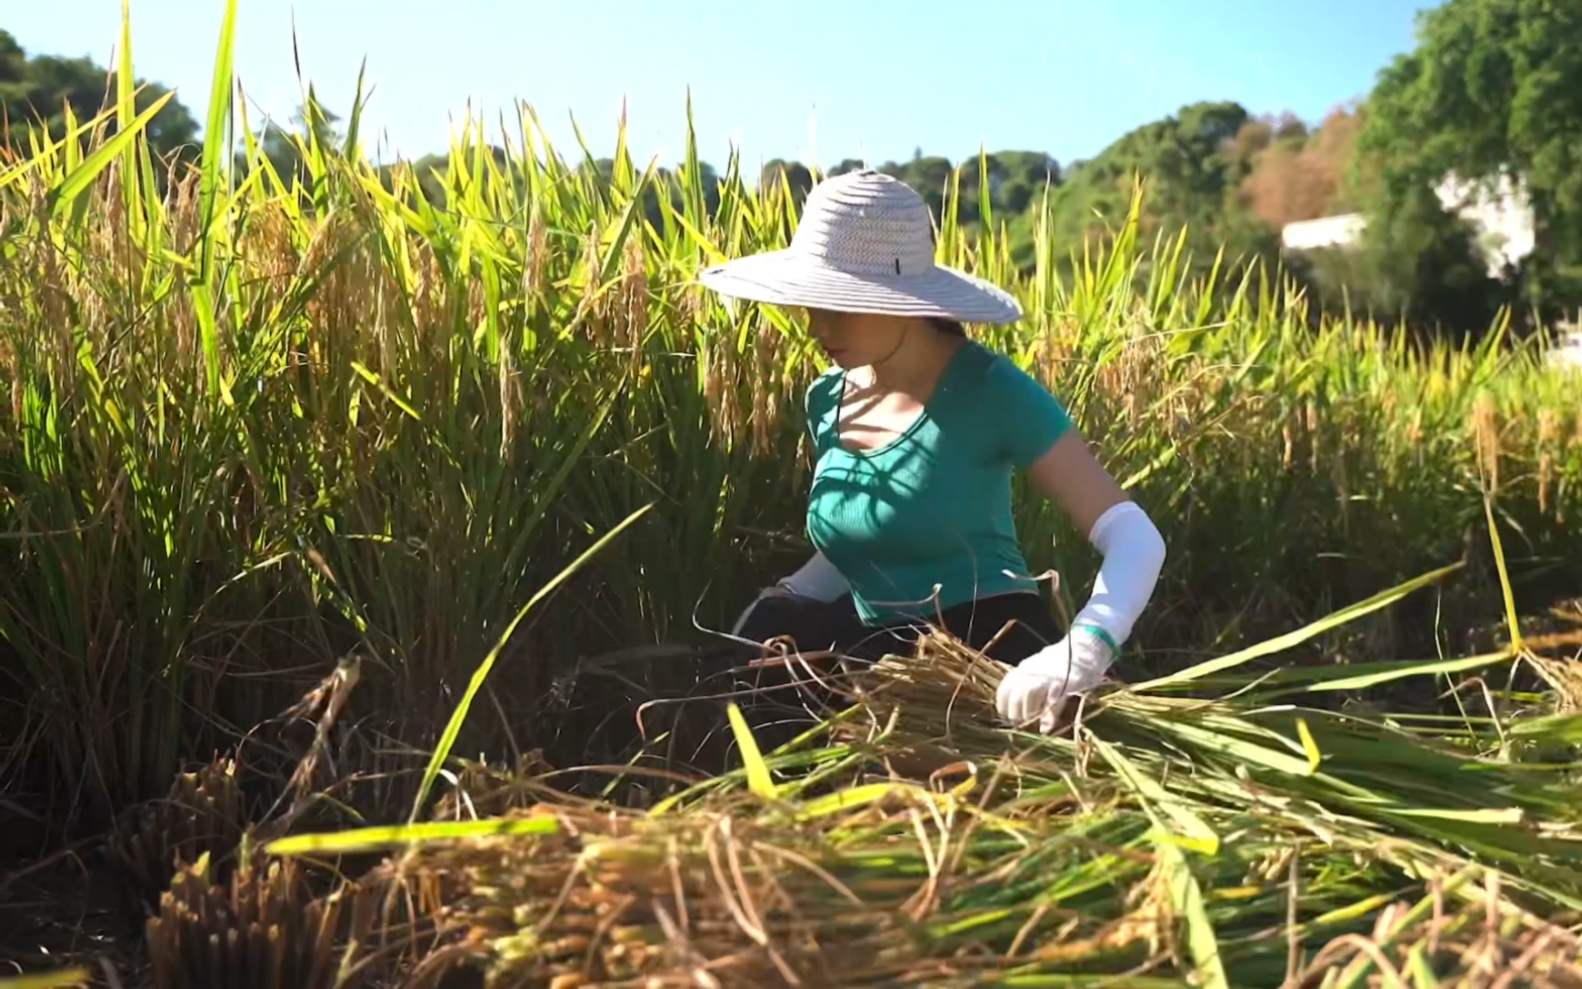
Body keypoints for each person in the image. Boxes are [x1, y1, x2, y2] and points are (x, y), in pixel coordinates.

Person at [696, 169, 1166, 733]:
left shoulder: (991, 390)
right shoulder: (827, 398)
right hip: (876, 653)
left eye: (840, 304)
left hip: (987, 655)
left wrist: (1083, 649)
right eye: (812, 302)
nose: (817, 324)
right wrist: (788, 599)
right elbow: (870, 543)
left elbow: (1133, 535)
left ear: (902, 300)